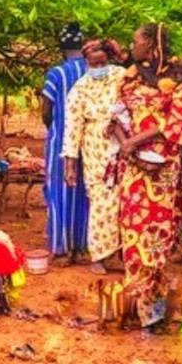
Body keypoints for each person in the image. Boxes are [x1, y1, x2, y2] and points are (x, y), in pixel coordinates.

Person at [117, 23, 182, 328]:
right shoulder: (130, 75)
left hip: (162, 169)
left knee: (156, 236)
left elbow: (175, 124)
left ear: (151, 43)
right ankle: (138, 307)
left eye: (136, 40)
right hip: (134, 168)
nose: (132, 45)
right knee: (132, 232)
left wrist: (134, 141)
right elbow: (117, 112)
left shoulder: (179, 79)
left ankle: (154, 311)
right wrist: (125, 141)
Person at [63, 39, 126, 274]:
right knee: (100, 201)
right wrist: (70, 164)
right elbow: (72, 129)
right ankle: (98, 255)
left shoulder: (121, 77)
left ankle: (122, 254)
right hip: (94, 151)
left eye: (102, 63)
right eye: (94, 65)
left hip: (122, 148)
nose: (99, 69)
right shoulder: (80, 89)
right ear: (86, 64)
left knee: (123, 201)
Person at [40, 23, 91, 262]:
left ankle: (61, 248)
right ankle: (82, 247)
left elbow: (46, 110)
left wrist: (55, 129)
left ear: (62, 48)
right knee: (84, 193)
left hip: (61, 141)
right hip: (89, 142)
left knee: (59, 192)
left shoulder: (56, 74)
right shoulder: (93, 70)